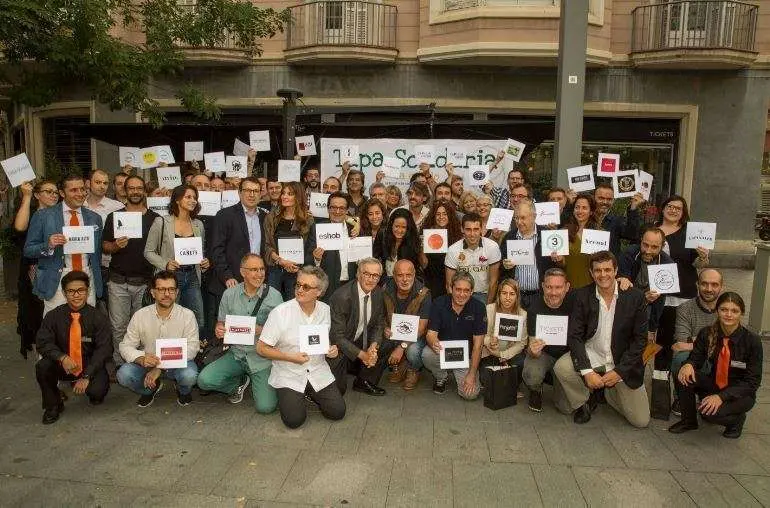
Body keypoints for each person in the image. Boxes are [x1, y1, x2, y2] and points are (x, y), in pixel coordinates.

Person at [553, 251, 650, 428]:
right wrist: (586, 371)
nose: (603, 275)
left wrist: (620, 372)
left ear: (616, 271)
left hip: (620, 361)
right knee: (562, 367)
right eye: (598, 270)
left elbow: (640, 341)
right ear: (591, 273)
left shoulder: (635, 297)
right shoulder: (582, 296)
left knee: (641, 421)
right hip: (592, 354)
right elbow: (574, 336)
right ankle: (584, 399)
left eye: (607, 269)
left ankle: (608, 393)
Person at [256, 266, 346, 428]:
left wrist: (332, 351)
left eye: (306, 287)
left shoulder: (326, 311)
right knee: (294, 421)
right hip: (289, 372)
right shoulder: (280, 313)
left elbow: (329, 341)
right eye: (298, 284)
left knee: (337, 412)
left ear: (319, 292)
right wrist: (290, 357)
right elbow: (261, 348)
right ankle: (294, 394)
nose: (300, 290)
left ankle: (309, 392)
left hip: (317, 370)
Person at [669, 292, 761, 439]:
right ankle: (688, 421)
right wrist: (689, 364)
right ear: (717, 311)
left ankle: (737, 420)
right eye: (724, 309)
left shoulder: (752, 341)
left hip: (739, 393)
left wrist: (720, 397)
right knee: (684, 373)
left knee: (708, 415)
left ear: (741, 313)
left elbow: (752, 382)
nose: (729, 314)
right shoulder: (707, 333)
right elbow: (696, 358)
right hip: (714, 384)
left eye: (734, 311)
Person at [197, 254, 283, 411]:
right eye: (254, 270)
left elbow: (283, 333)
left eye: (262, 269)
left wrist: (260, 330)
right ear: (243, 272)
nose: (260, 274)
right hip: (236, 355)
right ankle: (237, 385)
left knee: (266, 407)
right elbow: (221, 322)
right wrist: (219, 328)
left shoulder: (274, 296)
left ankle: (262, 382)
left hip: (261, 358)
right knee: (204, 381)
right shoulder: (229, 294)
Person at [35, 271, 112, 424]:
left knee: (97, 394)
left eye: (81, 290)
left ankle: (90, 387)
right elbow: (42, 342)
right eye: (71, 291)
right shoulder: (53, 316)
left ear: (88, 291)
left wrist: (86, 376)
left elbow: (104, 349)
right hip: (63, 363)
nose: (76, 295)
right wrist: (61, 357)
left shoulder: (98, 317)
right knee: (42, 366)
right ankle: (53, 404)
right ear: (64, 293)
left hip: (89, 365)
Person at [117, 270, 200, 407]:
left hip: (177, 364)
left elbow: (193, 348)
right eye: (161, 289)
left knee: (189, 374)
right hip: (147, 363)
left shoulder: (187, 315)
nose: (167, 294)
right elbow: (125, 346)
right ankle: (149, 389)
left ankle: (182, 390)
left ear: (177, 292)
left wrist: (160, 367)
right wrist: (141, 358)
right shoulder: (140, 315)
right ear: (152, 292)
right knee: (124, 374)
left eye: (171, 289)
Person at [24, 174, 104, 315]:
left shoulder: (95, 218)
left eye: (82, 189)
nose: (80, 194)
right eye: (74, 190)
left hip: (87, 277)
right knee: (56, 328)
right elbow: (28, 250)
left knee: (85, 327)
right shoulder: (43, 216)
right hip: (57, 279)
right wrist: (48, 245)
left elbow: (97, 252)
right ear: (62, 193)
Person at [102, 175, 159, 367]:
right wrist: (116, 246)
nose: (135, 192)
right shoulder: (114, 217)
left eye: (139, 188)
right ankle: (120, 364)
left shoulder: (155, 219)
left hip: (144, 283)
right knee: (118, 327)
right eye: (131, 188)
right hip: (118, 281)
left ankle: (141, 363)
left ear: (144, 191)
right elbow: (105, 247)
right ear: (125, 191)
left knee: (143, 329)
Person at [654, 195, 710, 379]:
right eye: (670, 206)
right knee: (662, 337)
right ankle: (660, 380)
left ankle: (684, 379)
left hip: (684, 293)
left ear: (683, 213)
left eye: (678, 208)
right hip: (659, 293)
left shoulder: (690, 233)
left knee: (684, 338)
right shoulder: (652, 231)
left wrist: (703, 257)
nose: (673, 210)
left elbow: (699, 265)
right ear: (663, 208)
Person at [144, 185, 210, 338]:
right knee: (169, 320)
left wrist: (205, 263)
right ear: (177, 200)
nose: (193, 200)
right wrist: (165, 263)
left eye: (195, 198)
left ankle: (194, 355)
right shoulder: (161, 222)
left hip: (192, 277)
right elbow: (148, 252)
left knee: (198, 320)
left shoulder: (198, 225)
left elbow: (200, 253)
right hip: (169, 279)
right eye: (188, 197)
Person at [207, 177, 266, 339]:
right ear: (239, 193)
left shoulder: (265, 217)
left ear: (261, 194)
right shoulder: (225, 215)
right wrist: (227, 277)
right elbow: (216, 250)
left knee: (250, 328)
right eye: (247, 190)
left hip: (256, 282)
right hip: (231, 282)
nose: (252, 194)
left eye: (256, 191)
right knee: (227, 331)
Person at [327, 258, 387, 396]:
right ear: (358, 274)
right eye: (366, 274)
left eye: (375, 275)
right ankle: (352, 366)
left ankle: (363, 381)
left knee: (387, 342)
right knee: (338, 391)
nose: (371, 279)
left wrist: (373, 346)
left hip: (361, 338)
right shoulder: (342, 297)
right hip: (339, 346)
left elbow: (379, 323)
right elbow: (337, 336)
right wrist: (363, 355)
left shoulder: (377, 292)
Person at [14, 179, 59, 358]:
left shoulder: (61, 214)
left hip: (56, 269)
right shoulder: (32, 213)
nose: (53, 195)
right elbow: (19, 228)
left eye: (55, 192)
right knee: (36, 311)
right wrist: (26, 197)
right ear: (37, 195)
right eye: (48, 191)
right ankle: (44, 356)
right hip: (33, 269)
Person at [423, 272, 486, 398]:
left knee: (470, 395)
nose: (462, 294)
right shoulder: (439, 303)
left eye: (466, 290)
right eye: (458, 289)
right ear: (451, 289)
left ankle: (464, 373)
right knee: (427, 354)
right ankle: (442, 377)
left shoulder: (479, 307)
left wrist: (472, 374)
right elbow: (430, 334)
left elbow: (478, 346)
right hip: (443, 352)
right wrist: (434, 342)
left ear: (472, 291)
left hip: (465, 356)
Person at [670, 268, 723, 415]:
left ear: (721, 287)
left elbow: (732, 341)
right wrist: (715, 341)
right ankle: (681, 397)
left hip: (720, 359)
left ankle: (712, 394)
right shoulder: (685, 309)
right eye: (704, 284)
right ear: (697, 285)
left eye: (714, 285)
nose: (709, 289)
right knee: (681, 357)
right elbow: (680, 344)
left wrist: (695, 341)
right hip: (695, 359)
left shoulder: (727, 308)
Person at [522, 268, 574, 412]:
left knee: (566, 408)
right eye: (549, 287)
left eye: (558, 287)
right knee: (531, 372)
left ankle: (560, 386)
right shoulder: (534, 309)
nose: (553, 292)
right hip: (544, 354)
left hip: (566, 357)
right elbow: (532, 343)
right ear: (543, 286)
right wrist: (533, 352)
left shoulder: (575, 303)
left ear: (567, 287)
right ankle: (535, 389)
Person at [381, 259, 432, 391]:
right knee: (378, 342)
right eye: (400, 275)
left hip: (416, 336)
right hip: (394, 332)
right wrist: (384, 327)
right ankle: (402, 364)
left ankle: (413, 369)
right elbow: (378, 315)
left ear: (414, 275)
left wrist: (401, 347)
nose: (405, 279)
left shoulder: (424, 294)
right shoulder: (385, 289)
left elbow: (421, 329)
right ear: (393, 275)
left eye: (408, 275)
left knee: (413, 351)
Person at [617, 226, 674, 343]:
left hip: (648, 308)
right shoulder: (629, 253)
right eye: (645, 245)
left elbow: (660, 301)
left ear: (662, 247)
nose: (648, 250)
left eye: (654, 247)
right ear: (641, 241)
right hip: (624, 303)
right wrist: (643, 298)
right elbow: (623, 289)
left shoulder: (667, 264)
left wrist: (652, 329)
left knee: (641, 343)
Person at [500, 199, 556, 309]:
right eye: (516, 218)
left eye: (523, 218)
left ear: (534, 216)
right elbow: (501, 270)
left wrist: (558, 259)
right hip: (516, 297)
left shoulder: (546, 236)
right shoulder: (509, 237)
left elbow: (556, 267)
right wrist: (505, 266)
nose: (519, 222)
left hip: (541, 295)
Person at [264, 181, 314, 301]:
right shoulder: (271, 217)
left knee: (294, 306)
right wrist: (281, 261)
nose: (284, 196)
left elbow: (309, 249)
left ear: (298, 196)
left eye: (290, 194)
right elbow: (266, 245)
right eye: (283, 193)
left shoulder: (308, 220)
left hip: (297, 271)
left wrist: (297, 266)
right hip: (275, 269)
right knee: (272, 305)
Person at [306, 192, 359, 301]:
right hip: (326, 287)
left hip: (350, 285)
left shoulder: (354, 230)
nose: (337, 211)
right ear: (328, 209)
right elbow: (307, 259)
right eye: (333, 207)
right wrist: (316, 258)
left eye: (342, 208)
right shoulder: (317, 229)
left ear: (347, 210)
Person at [444, 212, 501, 304]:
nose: (472, 234)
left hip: (483, 294)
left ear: (481, 229)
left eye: (476, 229)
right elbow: (449, 284)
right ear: (462, 229)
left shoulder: (492, 247)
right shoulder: (453, 250)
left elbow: (493, 282)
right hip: (460, 294)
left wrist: (487, 306)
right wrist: (456, 304)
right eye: (468, 229)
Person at [481, 279, 527, 373]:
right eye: (504, 293)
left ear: (517, 296)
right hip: (489, 351)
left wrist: (502, 354)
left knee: (520, 364)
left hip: (511, 353)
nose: (508, 297)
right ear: (499, 295)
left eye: (512, 294)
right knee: (486, 372)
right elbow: (481, 335)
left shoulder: (523, 314)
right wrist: (490, 341)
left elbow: (521, 343)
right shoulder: (489, 309)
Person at [557, 194, 601, 290]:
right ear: (573, 210)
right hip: (568, 287)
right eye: (577, 207)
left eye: (584, 208)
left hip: (592, 287)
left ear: (591, 212)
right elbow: (563, 263)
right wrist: (559, 260)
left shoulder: (599, 234)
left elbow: (603, 263)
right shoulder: (564, 231)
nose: (580, 211)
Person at [421, 200, 462, 299]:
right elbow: (424, 264)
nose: (441, 217)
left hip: (453, 280)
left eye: (444, 214)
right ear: (433, 217)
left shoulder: (457, 235)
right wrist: (422, 247)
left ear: (450, 216)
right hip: (432, 281)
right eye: (438, 214)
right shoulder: (428, 234)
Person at [380, 208, 423, 280]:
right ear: (391, 225)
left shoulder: (413, 241)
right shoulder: (382, 235)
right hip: (385, 283)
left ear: (408, 228)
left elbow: (422, 266)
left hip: (406, 283)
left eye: (403, 227)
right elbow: (375, 258)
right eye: (397, 226)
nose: (399, 230)